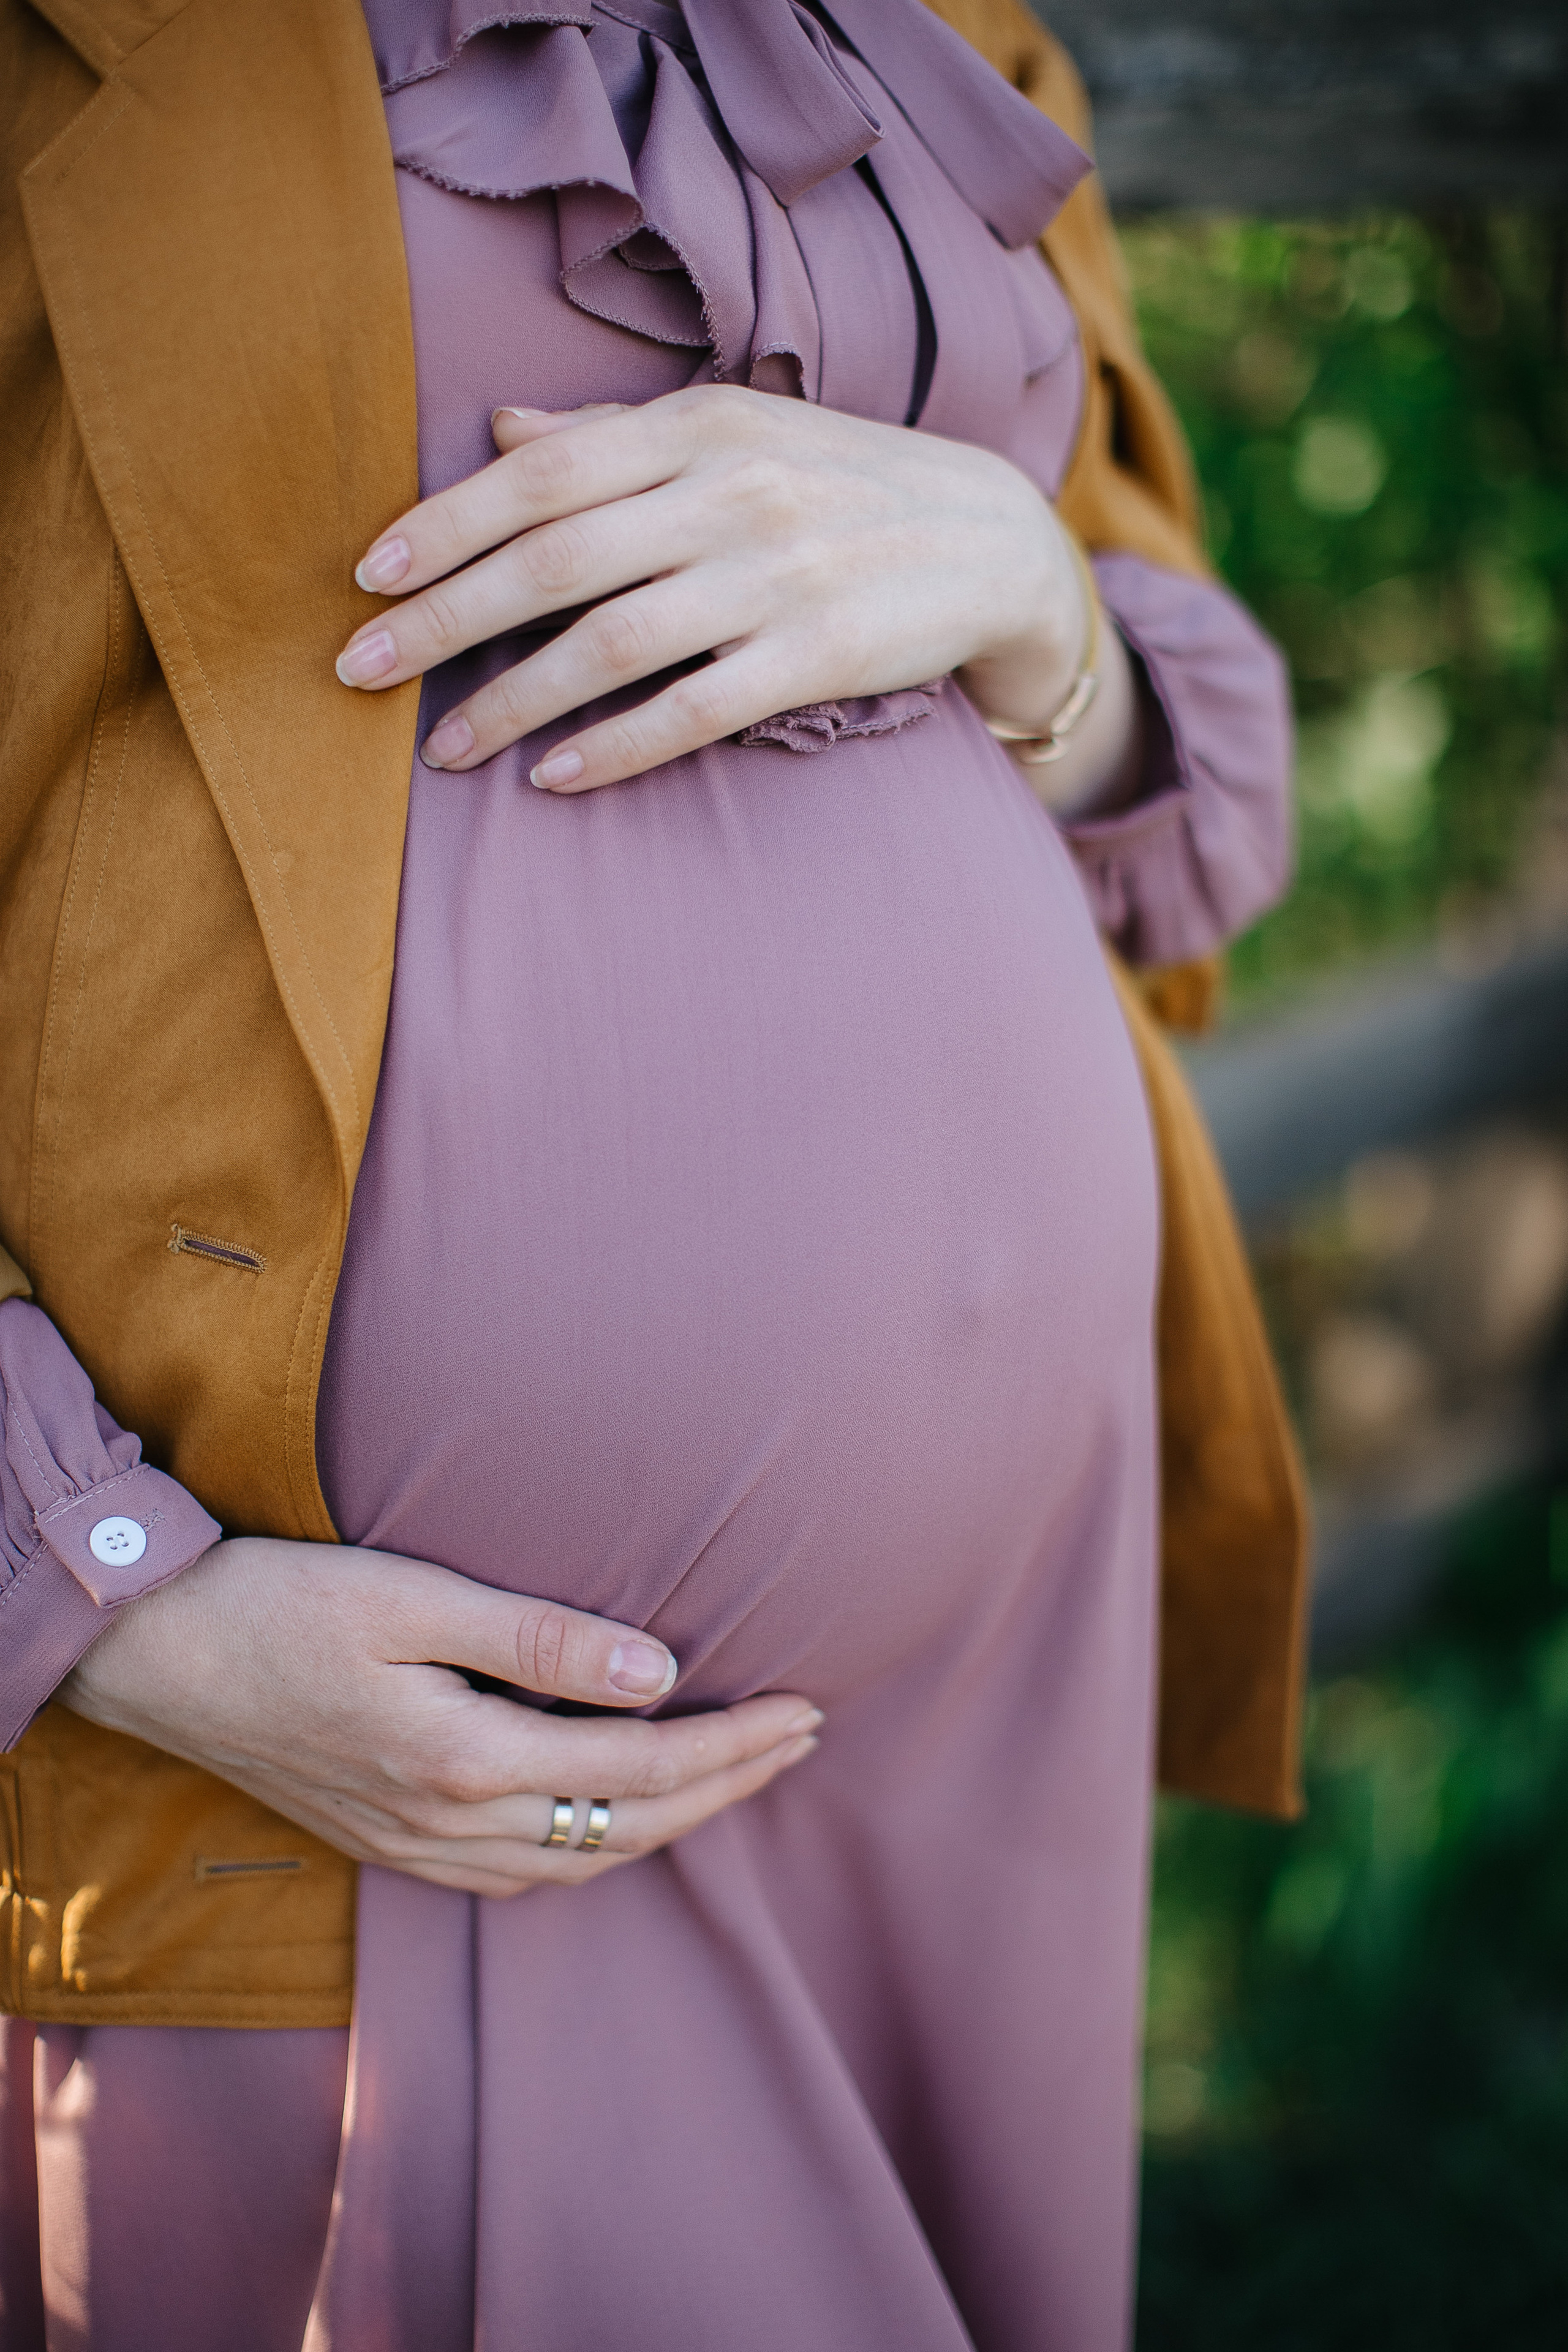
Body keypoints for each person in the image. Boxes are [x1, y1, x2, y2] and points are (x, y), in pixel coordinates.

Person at [0, 0, 1300, 2343]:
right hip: (338, 1772)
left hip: (971, 1733)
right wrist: (92, 1587)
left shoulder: (951, 29)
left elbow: (1187, 813)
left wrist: (1025, 587)